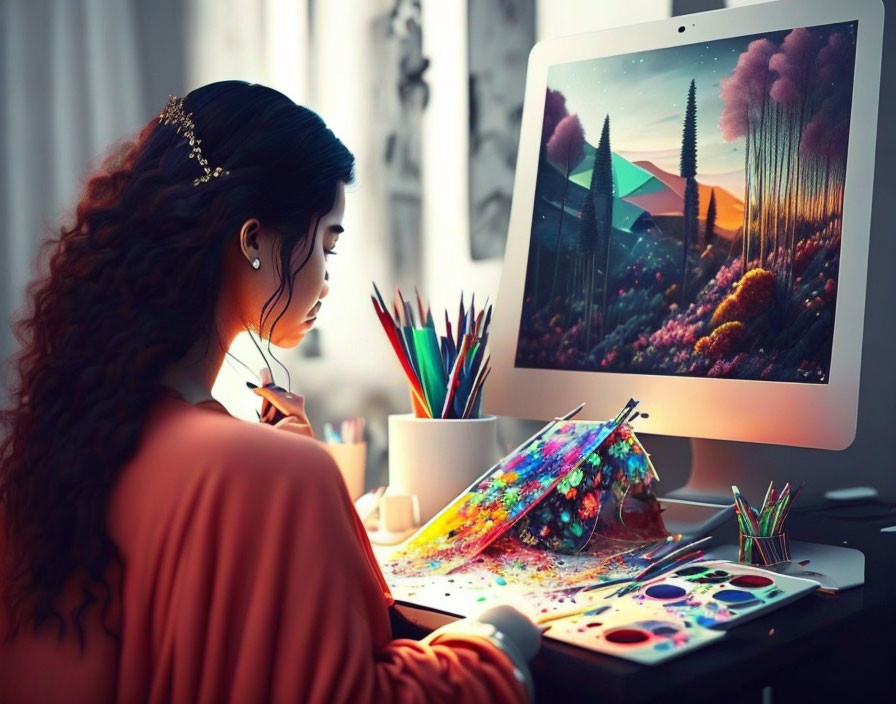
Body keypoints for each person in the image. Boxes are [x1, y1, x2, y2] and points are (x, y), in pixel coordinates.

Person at [0, 81, 540, 703]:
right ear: (254, 240)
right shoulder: (275, 473)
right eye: (328, 243)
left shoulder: (68, 443)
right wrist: (497, 642)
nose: (329, 280)